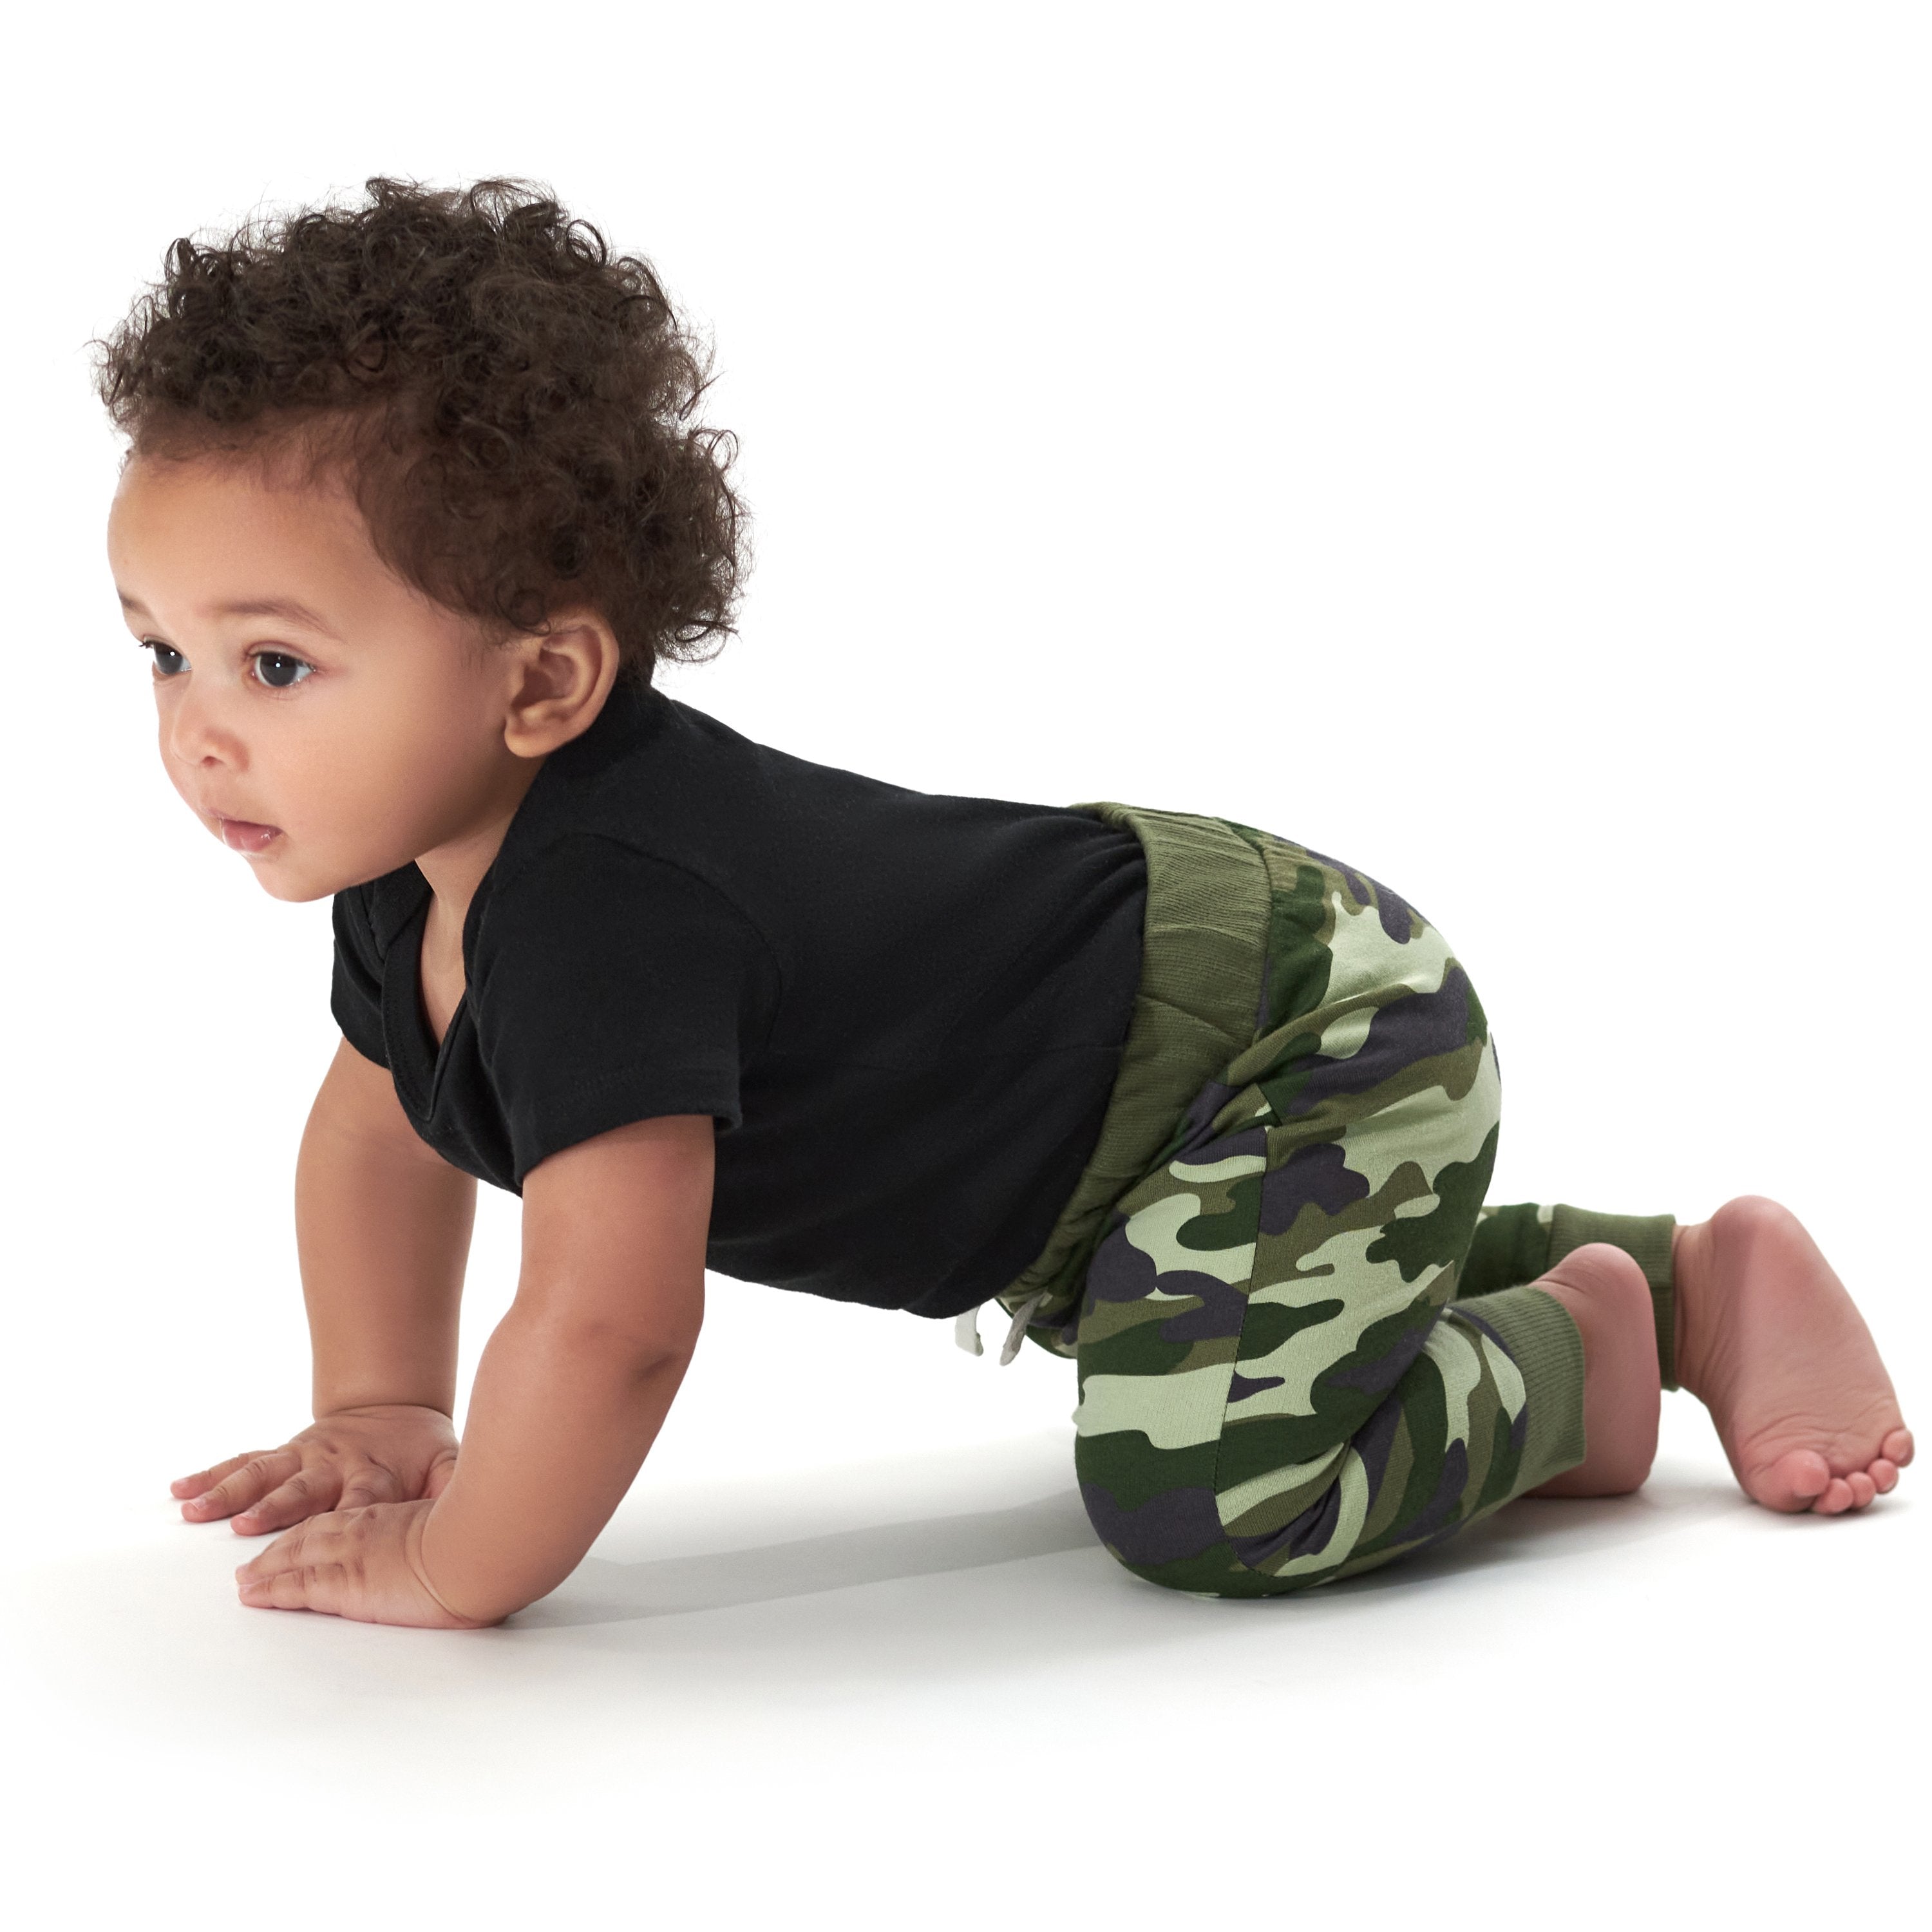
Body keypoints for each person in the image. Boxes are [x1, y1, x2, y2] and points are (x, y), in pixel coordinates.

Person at [98, 177, 1911, 1627]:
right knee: (1173, 1311)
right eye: (163, 652)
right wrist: (381, 1410)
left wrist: (461, 1557)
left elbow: (611, 1321)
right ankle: (1690, 1280)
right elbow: (386, 1130)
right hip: (1150, 1075)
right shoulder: (413, 869)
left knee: (1208, 1491)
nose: (199, 732)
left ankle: (1592, 1357)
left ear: (544, 681)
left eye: (276, 665)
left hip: (1290, 1036)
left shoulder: (608, 914)